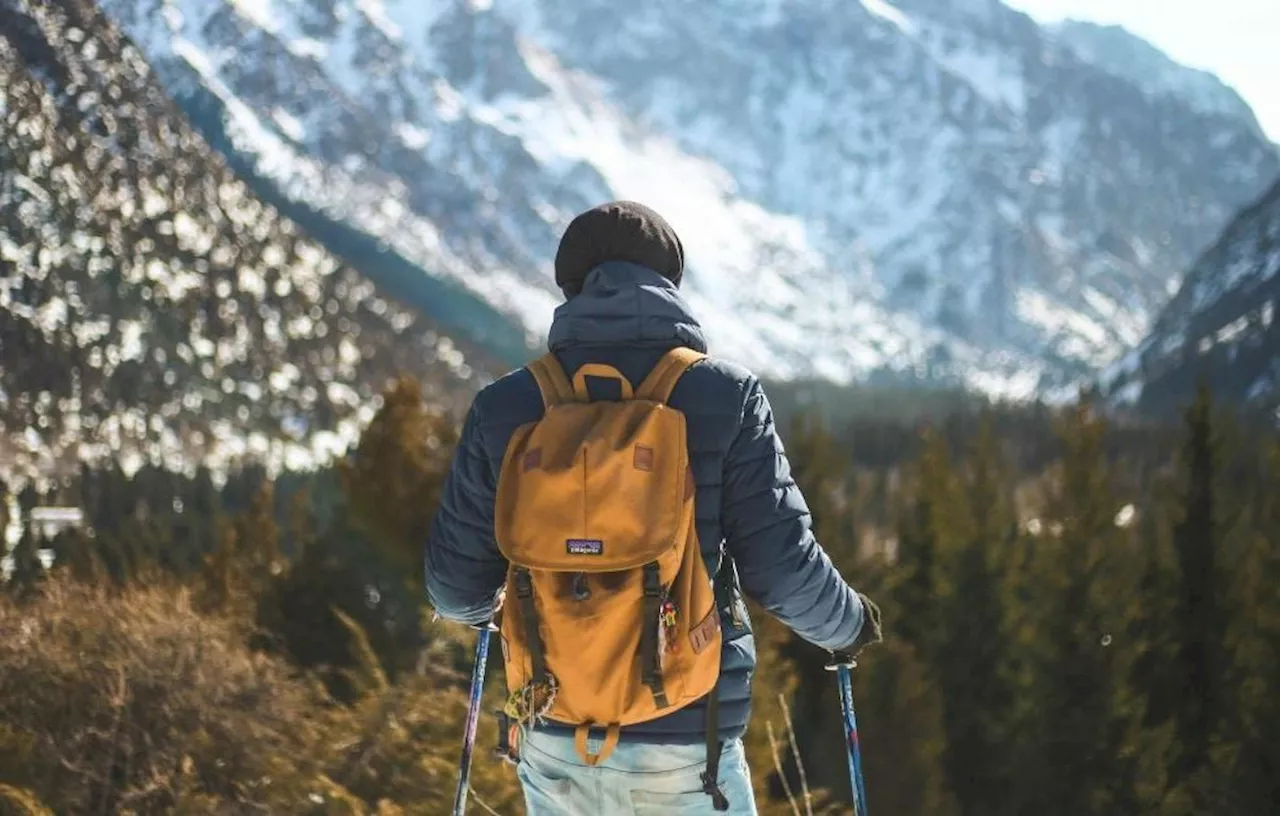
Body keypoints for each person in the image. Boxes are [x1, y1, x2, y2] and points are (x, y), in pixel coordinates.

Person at [426, 201, 882, 815]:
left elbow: (455, 591)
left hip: (554, 730)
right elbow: (780, 568)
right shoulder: (724, 396)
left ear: (571, 286)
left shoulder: (505, 407)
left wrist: (515, 606)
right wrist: (848, 626)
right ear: (670, 282)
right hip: (687, 741)